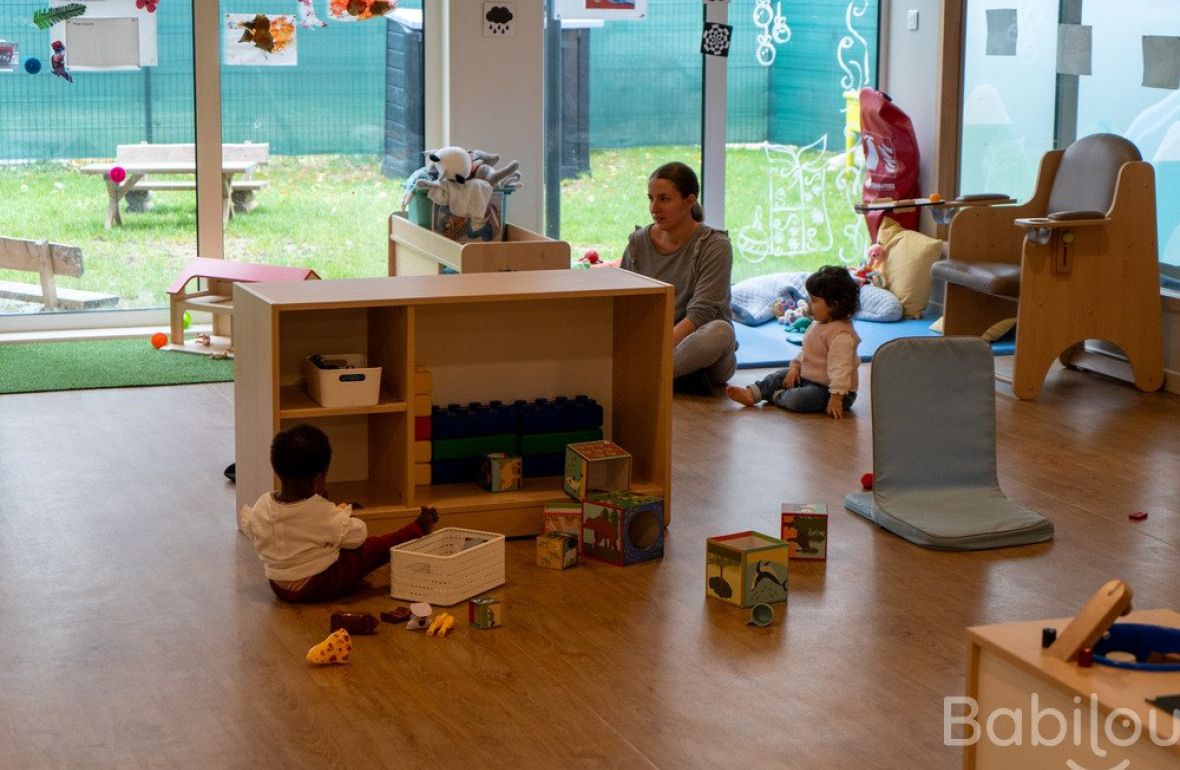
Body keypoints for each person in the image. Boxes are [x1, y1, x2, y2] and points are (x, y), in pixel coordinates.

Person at [238, 423, 439, 603]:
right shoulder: (319, 512)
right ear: (318, 480)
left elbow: (252, 527)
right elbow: (357, 537)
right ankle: (417, 528)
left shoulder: (263, 504)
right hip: (317, 584)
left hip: (279, 586)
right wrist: (343, 516)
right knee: (371, 548)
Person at [621, 161, 736, 395]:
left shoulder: (714, 246)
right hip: (649, 344)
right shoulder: (637, 242)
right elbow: (623, 300)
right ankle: (675, 377)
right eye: (650, 198)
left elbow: (701, 314)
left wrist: (655, 350)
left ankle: (646, 376)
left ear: (690, 201)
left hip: (697, 347)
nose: (654, 208)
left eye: (664, 199)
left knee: (720, 331)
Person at [726, 265, 861, 418]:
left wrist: (836, 398)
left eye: (814, 301)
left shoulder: (841, 335)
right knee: (779, 375)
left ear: (834, 306)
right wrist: (795, 367)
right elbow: (806, 352)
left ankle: (775, 396)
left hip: (833, 390)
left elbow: (841, 369)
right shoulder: (817, 325)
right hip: (806, 378)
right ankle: (753, 393)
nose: (808, 304)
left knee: (801, 400)